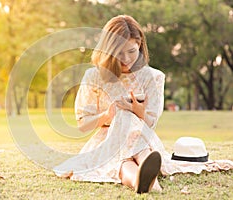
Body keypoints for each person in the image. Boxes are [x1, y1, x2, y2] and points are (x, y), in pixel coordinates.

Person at [53, 15, 233, 193]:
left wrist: (139, 112)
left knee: (128, 126)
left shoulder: (153, 77)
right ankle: (145, 180)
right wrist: (108, 115)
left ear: (139, 45)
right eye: (119, 53)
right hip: (107, 141)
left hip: (141, 136)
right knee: (122, 153)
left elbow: (150, 123)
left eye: (131, 51)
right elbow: (83, 125)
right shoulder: (94, 77)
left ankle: (147, 173)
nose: (126, 58)